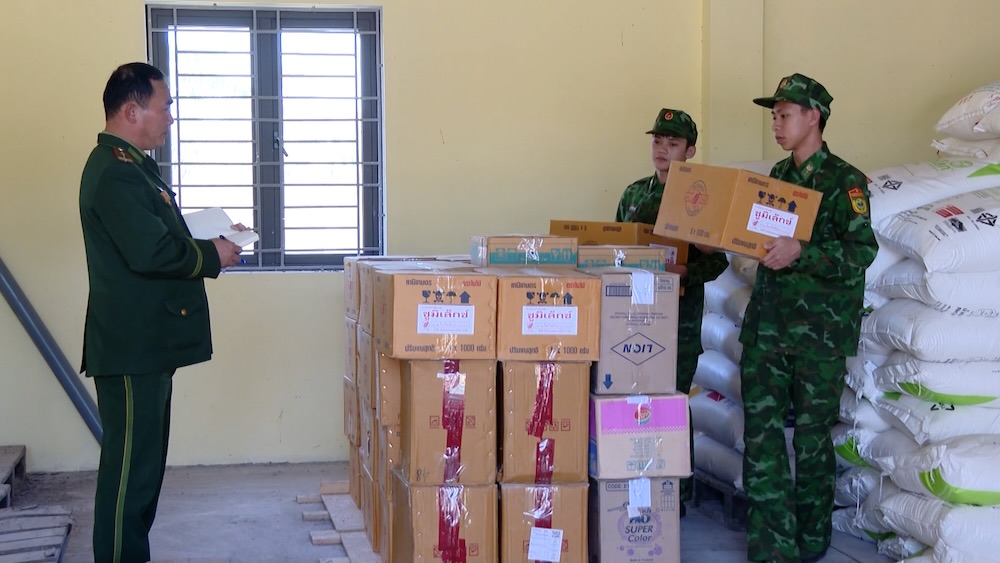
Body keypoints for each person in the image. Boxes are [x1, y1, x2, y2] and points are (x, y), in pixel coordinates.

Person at [79, 62, 244, 562]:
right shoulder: (114, 174)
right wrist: (213, 254)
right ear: (132, 111)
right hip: (132, 350)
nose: (170, 117)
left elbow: (158, 237)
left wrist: (214, 238)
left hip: (145, 346)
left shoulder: (131, 168)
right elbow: (151, 253)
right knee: (129, 477)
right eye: (165, 106)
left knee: (142, 473)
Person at [740, 73, 877, 563]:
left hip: (818, 336)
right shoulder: (773, 179)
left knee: (814, 440)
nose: (776, 124)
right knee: (761, 437)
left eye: (784, 114)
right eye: (774, 115)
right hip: (767, 330)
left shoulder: (846, 182)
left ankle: (812, 541)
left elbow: (861, 253)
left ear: (813, 116)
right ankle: (771, 548)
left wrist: (803, 251)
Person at [616, 108, 729, 512]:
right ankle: (634, 484)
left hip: (677, 319)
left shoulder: (699, 200)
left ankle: (676, 495)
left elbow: (718, 262)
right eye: (657, 142)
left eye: (673, 143)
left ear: (690, 150)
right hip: (631, 316)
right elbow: (613, 249)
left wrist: (685, 272)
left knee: (673, 404)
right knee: (632, 401)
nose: (662, 150)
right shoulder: (633, 194)